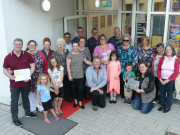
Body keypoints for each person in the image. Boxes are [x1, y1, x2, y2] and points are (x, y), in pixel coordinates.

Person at [3, 38, 38, 127]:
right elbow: (4, 69)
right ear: (13, 45)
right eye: (16, 44)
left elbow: (32, 67)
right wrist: (10, 76)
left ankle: (27, 112)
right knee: (14, 102)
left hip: (26, 83)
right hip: (14, 84)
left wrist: (28, 76)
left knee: (25, 98)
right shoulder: (8, 57)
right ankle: (15, 119)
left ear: (22, 46)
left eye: (20, 44)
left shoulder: (27, 55)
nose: (18, 46)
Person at [67, 41, 92, 109]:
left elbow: (86, 61)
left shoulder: (81, 54)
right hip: (72, 75)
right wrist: (69, 75)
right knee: (74, 89)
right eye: (74, 46)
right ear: (72, 47)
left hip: (80, 75)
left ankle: (80, 102)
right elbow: (68, 66)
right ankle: (75, 102)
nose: (75, 47)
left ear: (78, 46)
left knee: (80, 89)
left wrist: (94, 64)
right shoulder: (69, 55)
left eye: (76, 46)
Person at [26, 40, 48, 113]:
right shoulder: (25, 54)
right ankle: (33, 107)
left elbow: (45, 64)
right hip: (31, 76)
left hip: (40, 75)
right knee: (32, 92)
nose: (32, 46)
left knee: (39, 91)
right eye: (30, 45)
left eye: (33, 45)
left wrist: (46, 74)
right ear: (28, 46)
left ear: (36, 46)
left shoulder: (39, 52)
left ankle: (40, 106)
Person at [157, 44, 179, 113]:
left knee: (169, 94)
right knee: (162, 93)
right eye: (166, 50)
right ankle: (163, 105)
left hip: (170, 80)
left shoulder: (176, 59)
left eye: (169, 49)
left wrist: (167, 80)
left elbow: (176, 72)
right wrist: (160, 79)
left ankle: (168, 107)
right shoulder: (162, 58)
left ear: (172, 50)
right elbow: (158, 69)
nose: (168, 51)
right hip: (161, 79)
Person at [116, 34, 138, 98]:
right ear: (122, 40)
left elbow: (135, 59)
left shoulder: (133, 48)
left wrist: (129, 69)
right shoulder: (119, 48)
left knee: (131, 82)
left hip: (131, 69)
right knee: (123, 82)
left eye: (127, 40)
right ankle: (124, 95)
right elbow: (116, 58)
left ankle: (131, 96)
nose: (125, 41)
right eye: (124, 40)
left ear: (129, 41)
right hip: (122, 69)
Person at [53, 38, 71, 103]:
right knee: (60, 87)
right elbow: (52, 62)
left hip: (66, 72)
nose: (60, 45)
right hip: (58, 73)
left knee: (66, 85)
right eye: (58, 44)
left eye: (61, 44)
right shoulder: (54, 53)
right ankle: (60, 100)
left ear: (64, 44)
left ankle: (66, 97)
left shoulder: (67, 51)